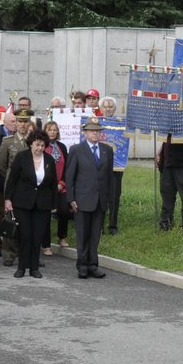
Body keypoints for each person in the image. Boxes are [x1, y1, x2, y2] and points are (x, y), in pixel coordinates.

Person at [4, 128, 59, 278]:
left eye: (42, 145)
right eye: (37, 145)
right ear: (30, 144)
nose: (39, 148)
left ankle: (34, 267)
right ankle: (21, 267)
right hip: (22, 202)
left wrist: (55, 204)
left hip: (42, 204)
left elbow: (53, 183)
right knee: (25, 235)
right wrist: (8, 199)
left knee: (37, 236)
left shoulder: (49, 160)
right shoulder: (21, 157)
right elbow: (12, 179)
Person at [64, 116, 114, 278]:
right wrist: (71, 199)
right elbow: (69, 177)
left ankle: (93, 264)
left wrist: (108, 199)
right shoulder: (76, 150)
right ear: (85, 133)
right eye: (92, 131)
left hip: (100, 200)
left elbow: (109, 177)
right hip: (82, 199)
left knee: (95, 235)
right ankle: (82, 265)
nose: (95, 134)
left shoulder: (107, 150)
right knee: (83, 234)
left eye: (97, 131)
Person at [0, 109, 31, 262]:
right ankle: (9, 253)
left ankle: (26, 252)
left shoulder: (34, 141)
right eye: (19, 121)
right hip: (13, 186)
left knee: (27, 221)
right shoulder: (7, 142)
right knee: (10, 218)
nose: (22, 125)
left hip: (29, 187)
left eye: (25, 121)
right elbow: (1, 166)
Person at [157, 131, 183, 231]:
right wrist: (160, 151)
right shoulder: (169, 117)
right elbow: (167, 137)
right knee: (166, 193)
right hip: (168, 161)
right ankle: (165, 222)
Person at [43, 118, 72, 254]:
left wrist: (61, 183)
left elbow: (67, 167)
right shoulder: (42, 146)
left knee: (65, 212)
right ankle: (46, 245)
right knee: (46, 216)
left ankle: (62, 237)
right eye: (50, 130)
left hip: (61, 186)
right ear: (45, 131)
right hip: (47, 187)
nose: (53, 132)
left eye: (55, 130)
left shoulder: (62, 147)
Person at [98, 97, 126, 235]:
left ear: (114, 109)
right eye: (105, 107)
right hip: (99, 167)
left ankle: (113, 226)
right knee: (101, 196)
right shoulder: (95, 123)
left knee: (114, 197)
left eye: (110, 107)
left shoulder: (120, 123)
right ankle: (100, 225)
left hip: (116, 167)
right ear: (101, 109)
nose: (107, 109)